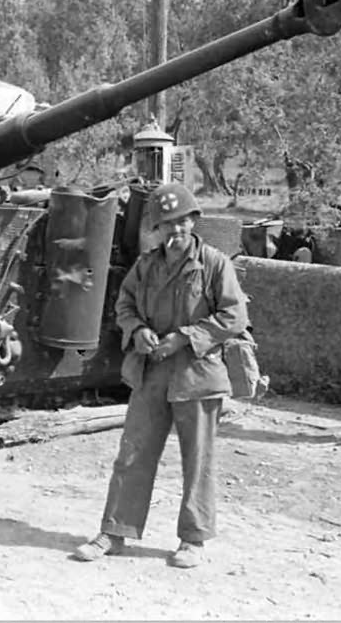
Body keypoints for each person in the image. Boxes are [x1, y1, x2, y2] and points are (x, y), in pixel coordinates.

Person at [73, 182, 249, 568]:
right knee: (132, 454)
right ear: (158, 228)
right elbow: (124, 304)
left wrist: (185, 337)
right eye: (168, 223)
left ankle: (193, 539)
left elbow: (235, 316)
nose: (176, 229)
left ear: (194, 220)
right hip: (151, 373)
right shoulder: (147, 265)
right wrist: (137, 330)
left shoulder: (215, 264)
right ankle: (114, 531)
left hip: (197, 375)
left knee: (197, 461)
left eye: (182, 221)